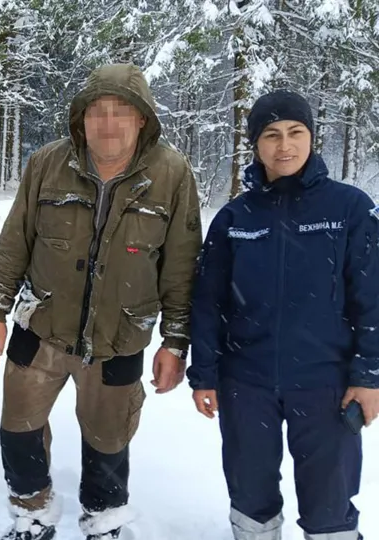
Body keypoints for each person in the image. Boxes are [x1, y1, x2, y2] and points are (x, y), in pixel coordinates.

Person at [0, 63, 202, 540]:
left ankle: (103, 520)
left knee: (109, 438)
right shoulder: (47, 163)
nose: (108, 123)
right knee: (18, 427)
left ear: (142, 119)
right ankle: (31, 510)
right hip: (40, 327)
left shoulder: (172, 174)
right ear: (81, 118)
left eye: (122, 112)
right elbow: (14, 241)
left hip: (120, 335)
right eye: (98, 111)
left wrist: (175, 341)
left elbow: (181, 266)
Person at [188, 89, 378, 540]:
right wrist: (206, 375)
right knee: (250, 497)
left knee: (329, 504)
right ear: (255, 144)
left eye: (295, 132)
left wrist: (369, 376)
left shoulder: (349, 209)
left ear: (312, 137)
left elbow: (372, 297)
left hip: (326, 385)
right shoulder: (235, 216)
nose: (284, 145)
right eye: (271, 135)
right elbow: (208, 302)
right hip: (246, 383)